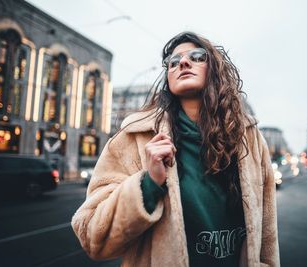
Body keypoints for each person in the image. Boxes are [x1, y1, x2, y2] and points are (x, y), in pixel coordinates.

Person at [72, 32, 280, 267]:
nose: (183, 62)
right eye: (173, 61)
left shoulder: (248, 138)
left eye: (197, 56)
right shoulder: (135, 138)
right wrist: (148, 185)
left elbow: (267, 237)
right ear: (168, 77)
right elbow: (91, 236)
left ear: (215, 69)